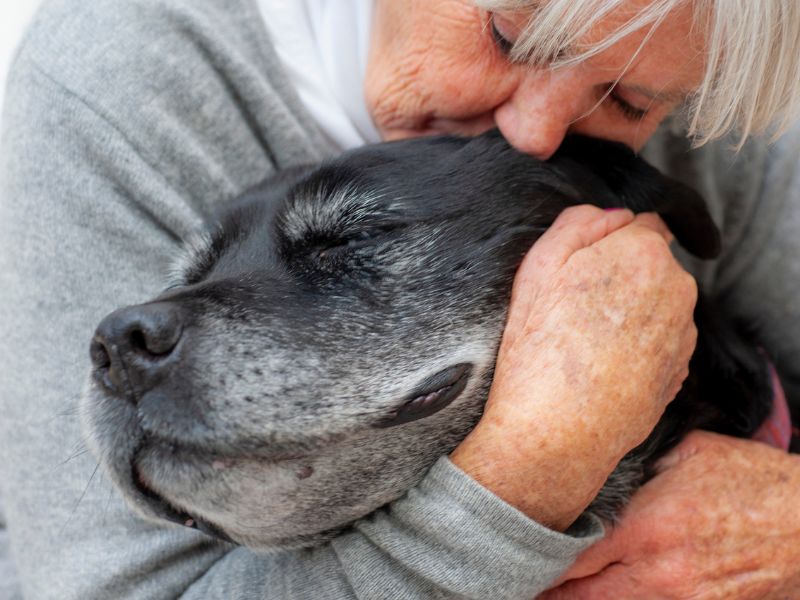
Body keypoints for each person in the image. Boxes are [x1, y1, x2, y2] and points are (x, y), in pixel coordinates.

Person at [0, 0, 798, 597]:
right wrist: (535, 467)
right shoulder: (113, 80)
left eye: (626, 103)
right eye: (506, 36)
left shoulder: (701, 67)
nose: (535, 136)